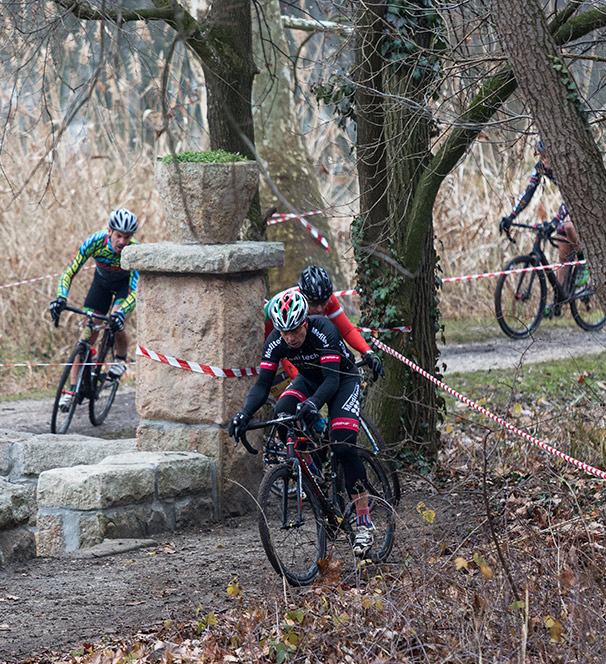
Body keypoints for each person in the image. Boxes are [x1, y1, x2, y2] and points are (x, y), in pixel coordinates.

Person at [229, 289, 376, 557]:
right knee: (284, 412)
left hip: (341, 379)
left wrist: (312, 404)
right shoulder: (276, 341)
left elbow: (331, 382)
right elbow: (262, 384)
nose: (290, 338)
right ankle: (313, 476)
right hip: (309, 380)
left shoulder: (324, 330)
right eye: (284, 332)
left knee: (343, 446)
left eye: (295, 330)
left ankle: (364, 522)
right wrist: (243, 414)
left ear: (304, 322)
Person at [49, 208, 139, 409]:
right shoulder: (96, 241)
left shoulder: (135, 251)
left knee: (117, 321)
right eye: (118, 236)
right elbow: (69, 272)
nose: (122, 242)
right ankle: (72, 390)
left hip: (125, 288)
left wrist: (122, 313)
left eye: (127, 237)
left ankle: (121, 359)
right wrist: (60, 298)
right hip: (101, 285)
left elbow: (135, 291)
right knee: (87, 333)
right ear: (109, 231)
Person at [499, 139, 589, 301]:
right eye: (542, 157)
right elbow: (528, 193)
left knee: (568, 226)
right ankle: (559, 300)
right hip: (573, 203)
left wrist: (555, 221)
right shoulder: (541, 167)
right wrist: (511, 217)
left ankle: (583, 263)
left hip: (587, 198)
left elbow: (571, 197)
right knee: (563, 251)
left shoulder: (565, 166)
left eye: (548, 157)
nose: (545, 161)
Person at [264, 265, 385, 383]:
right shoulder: (292, 305)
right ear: (303, 298)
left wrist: (368, 352)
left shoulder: (330, 299)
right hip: (271, 338)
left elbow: (347, 331)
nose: (319, 308)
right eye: (313, 303)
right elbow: (287, 353)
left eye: (323, 302)